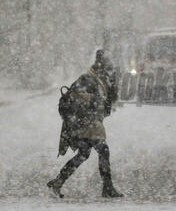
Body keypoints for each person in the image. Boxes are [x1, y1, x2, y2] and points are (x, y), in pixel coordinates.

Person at [47, 49, 123, 198]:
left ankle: (58, 182)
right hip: (86, 124)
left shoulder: (99, 78)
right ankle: (107, 188)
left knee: (84, 154)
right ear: (101, 63)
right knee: (103, 151)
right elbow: (78, 100)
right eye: (108, 63)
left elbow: (108, 101)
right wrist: (91, 109)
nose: (110, 66)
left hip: (89, 123)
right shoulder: (87, 78)